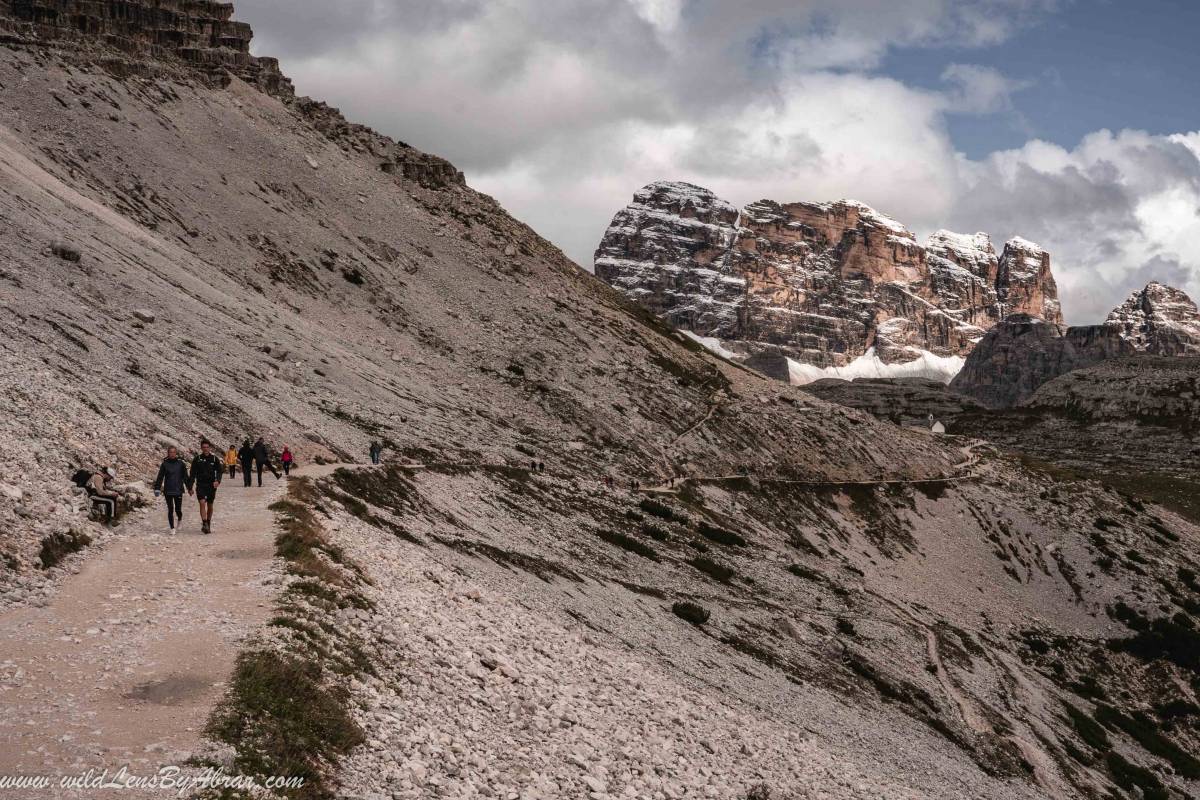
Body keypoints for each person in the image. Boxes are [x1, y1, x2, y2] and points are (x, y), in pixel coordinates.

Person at [152, 446, 190, 532]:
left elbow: (185, 477)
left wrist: (189, 488)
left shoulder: (181, 464)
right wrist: (157, 488)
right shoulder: (164, 464)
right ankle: (172, 528)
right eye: (170, 452)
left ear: (176, 453)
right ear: (168, 453)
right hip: (168, 490)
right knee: (170, 509)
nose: (172, 454)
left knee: (178, 509)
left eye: (174, 452)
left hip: (178, 489)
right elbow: (160, 477)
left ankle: (179, 519)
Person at [190, 440, 223, 534]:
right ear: (201, 448)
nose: (205, 449)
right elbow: (192, 474)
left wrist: (218, 481)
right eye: (204, 447)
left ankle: (208, 522)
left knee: (210, 505)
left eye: (207, 447)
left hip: (211, 485)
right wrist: (190, 486)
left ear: (210, 448)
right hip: (200, 485)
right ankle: (204, 523)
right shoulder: (197, 459)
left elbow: (220, 472)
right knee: (202, 502)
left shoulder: (214, 459)